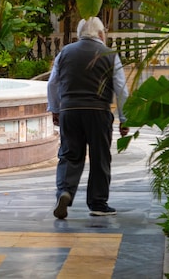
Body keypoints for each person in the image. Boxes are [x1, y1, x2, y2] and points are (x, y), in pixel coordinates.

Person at [47, 17, 130, 219]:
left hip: (70, 110)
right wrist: (125, 119)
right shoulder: (110, 54)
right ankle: (98, 203)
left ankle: (65, 191)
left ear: (80, 33)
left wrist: (56, 109)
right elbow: (121, 90)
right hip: (98, 112)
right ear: (102, 34)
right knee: (100, 157)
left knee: (69, 155)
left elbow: (52, 84)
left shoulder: (65, 52)